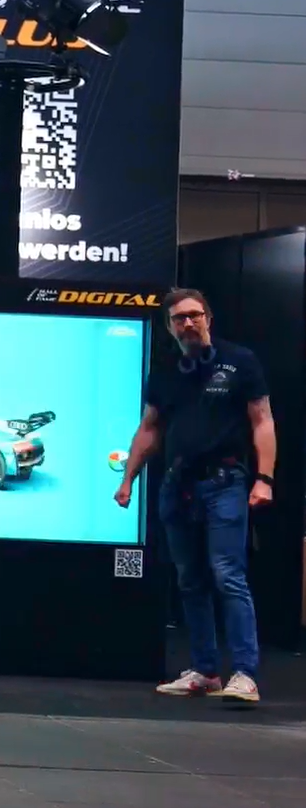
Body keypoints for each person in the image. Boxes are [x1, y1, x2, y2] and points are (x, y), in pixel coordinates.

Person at [116, 288, 276, 703]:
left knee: (228, 574)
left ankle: (245, 674)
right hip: (178, 484)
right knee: (190, 581)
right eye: (179, 319)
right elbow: (150, 428)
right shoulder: (167, 372)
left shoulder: (239, 361)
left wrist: (265, 479)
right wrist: (128, 479)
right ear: (169, 327)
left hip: (226, 482)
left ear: (208, 318)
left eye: (194, 315)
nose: (188, 324)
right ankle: (206, 672)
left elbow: (262, 421)